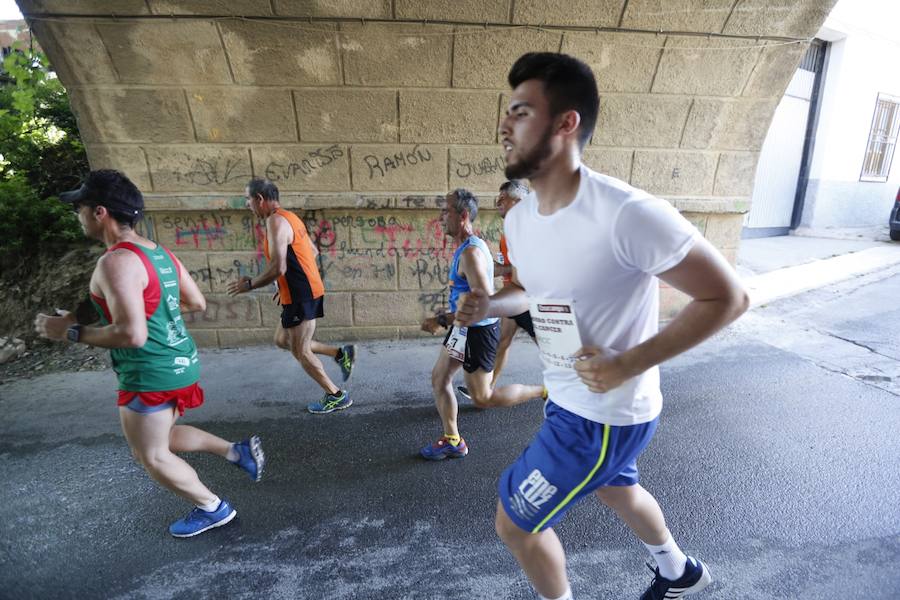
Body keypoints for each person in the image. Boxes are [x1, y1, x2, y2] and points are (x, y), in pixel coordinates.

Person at [456, 53, 749, 599]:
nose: (504, 125)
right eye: (507, 112)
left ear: (566, 123)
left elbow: (728, 297)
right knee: (616, 489)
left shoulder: (627, 213)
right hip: (567, 394)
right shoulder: (519, 221)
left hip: (605, 413)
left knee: (516, 524)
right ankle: (679, 572)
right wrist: (491, 304)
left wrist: (627, 364)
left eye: (521, 112)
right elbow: (533, 293)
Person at [34, 169, 265, 538]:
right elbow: (196, 302)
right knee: (161, 437)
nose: (77, 214)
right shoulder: (158, 253)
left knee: (150, 455)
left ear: (100, 212)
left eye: (80, 207)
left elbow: (132, 334)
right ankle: (236, 453)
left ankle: (212, 507)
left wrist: (71, 332)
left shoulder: (115, 262)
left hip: (149, 373)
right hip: (180, 362)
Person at [419, 188, 545, 461]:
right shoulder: (470, 247)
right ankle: (452, 439)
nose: (441, 217)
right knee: (440, 378)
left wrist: (441, 320)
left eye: (446, 211)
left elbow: (483, 304)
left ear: (463, 215)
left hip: (478, 332)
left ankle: (543, 390)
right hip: (463, 329)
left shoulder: (471, 254)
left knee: (483, 398)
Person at [226, 178, 355, 415]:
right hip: (299, 292)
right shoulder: (289, 217)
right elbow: (312, 251)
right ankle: (339, 353)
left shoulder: (275, 221)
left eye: (248, 199)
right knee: (281, 340)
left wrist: (250, 285)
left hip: (301, 295)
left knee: (300, 351)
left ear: (260, 199)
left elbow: (279, 267)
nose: (247, 204)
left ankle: (336, 395)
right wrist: (283, 285)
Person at [457, 179, 538, 401]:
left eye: (503, 198)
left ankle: (568, 393)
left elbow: (528, 269)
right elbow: (510, 267)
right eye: (498, 198)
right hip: (514, 299)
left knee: (554, 353)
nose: (497, 202)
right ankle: (488, 389)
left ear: (519, 202)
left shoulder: (530, 230)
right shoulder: (509, 232)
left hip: (533, 302)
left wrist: (491, 270)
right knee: (502, 341)